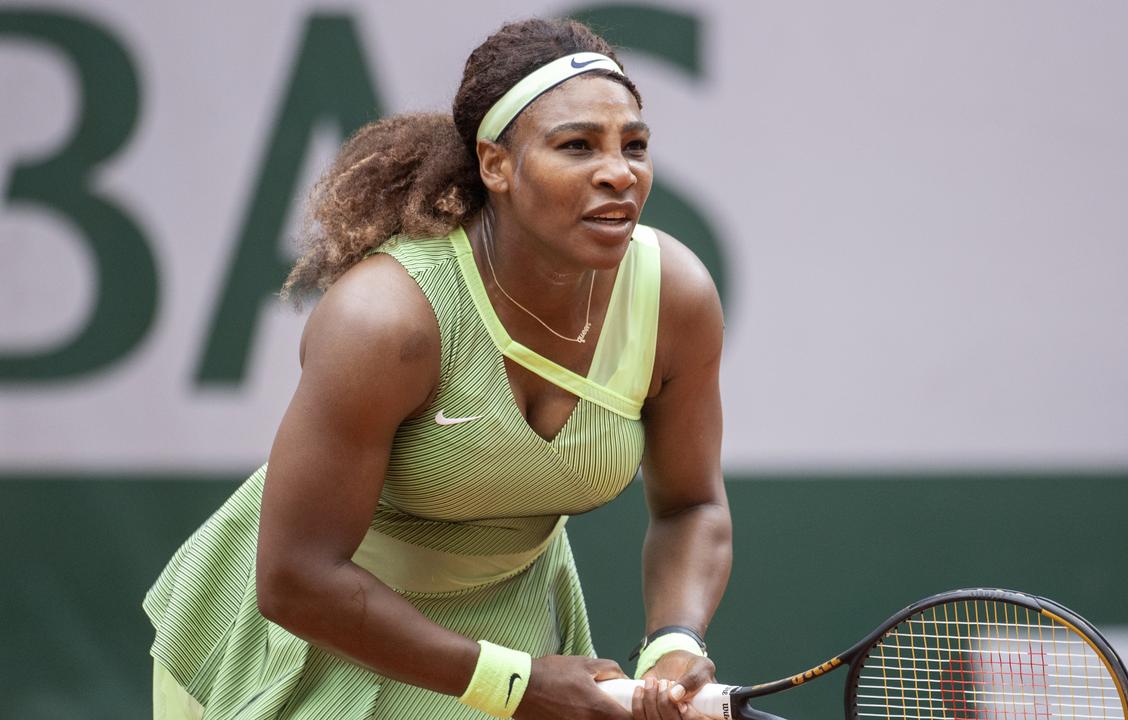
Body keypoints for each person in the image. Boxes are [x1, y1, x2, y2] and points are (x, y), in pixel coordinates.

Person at [143, 16, 732, 720]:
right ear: (496, 165)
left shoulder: (676, 296)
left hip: (514, 633)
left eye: (634, 146)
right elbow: (295, 580)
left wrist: (673, 637)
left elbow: (691, 504)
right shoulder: (386, 320)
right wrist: (518, 685)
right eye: (577, 146)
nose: (618, 172)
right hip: (308, 636)